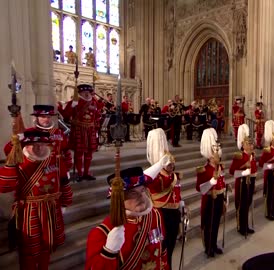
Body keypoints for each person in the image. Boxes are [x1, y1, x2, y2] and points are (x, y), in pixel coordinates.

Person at [0, 128, 72, 270]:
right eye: (34, 144)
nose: (39, 147)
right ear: (26, 145)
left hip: (51, 209)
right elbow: (3, 187)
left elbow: (64, 181)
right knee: (29, 251)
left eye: (42, 143)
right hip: (28, 211)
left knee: (47, 246)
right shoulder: (19, 161)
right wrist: (11, 162)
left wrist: (65, 202)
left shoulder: (55, 159)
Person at [85, 167, 169, 269]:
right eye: (133, 193)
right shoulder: (101, 233)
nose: (141, 196)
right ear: (118, 199)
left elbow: (162, 253)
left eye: (142, 190)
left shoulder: (156, 215)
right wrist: (108, 252)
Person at [145, 128, 182, 267]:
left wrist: (181, 202)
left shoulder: (172, 175)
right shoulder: (155, 177)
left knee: (171, 247)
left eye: (172, 164)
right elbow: (155, 184)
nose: (172, 166)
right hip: (161, 215)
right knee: (162, 248)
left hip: (173, 213)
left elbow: (176, 189)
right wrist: (159, 164)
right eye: (170, 164)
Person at [59, 84, 102, 181]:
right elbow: (66, 115)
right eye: (84, 92)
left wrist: (96, 124)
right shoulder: (75, 102)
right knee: (79, 153)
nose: (87, 94)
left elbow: (98, 114)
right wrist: (61, 107)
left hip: (90, 130)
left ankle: (86, 172)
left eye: (88, 92)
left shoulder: (93, 102)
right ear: (80, 93)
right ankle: (79, 173)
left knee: (89, 153)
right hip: (79, 129)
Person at [196, 128, 227, 257]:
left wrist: (225, 196)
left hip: (219, 197)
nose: (217, 156)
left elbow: (222, 182)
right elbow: (199, 188)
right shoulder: (204, 169)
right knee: (209, 224)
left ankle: (214, 244)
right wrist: (211, 183)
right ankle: (208, 247)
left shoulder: (220, 167)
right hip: (209, 199)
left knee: (216, 224)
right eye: (215, 153)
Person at [229, 124, 257, 236]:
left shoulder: (253, 156)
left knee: (248, 204)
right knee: (242, 205)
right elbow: (232, 171)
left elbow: (254, 171)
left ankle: (246, 225)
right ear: (243, 145)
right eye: (248, 144)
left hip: (250, 182)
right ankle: (241, 226)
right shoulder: (239, 156)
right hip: (241, 184)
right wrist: (243, 166)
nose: (251, 146)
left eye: (251, 143)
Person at [259, 120, 274, 220]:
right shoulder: (267, 151)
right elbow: (261, 164)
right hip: (269, 174)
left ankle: (273, 210)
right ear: (272, 141)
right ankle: (269, 212)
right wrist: (273, 167)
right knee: (270, 193)